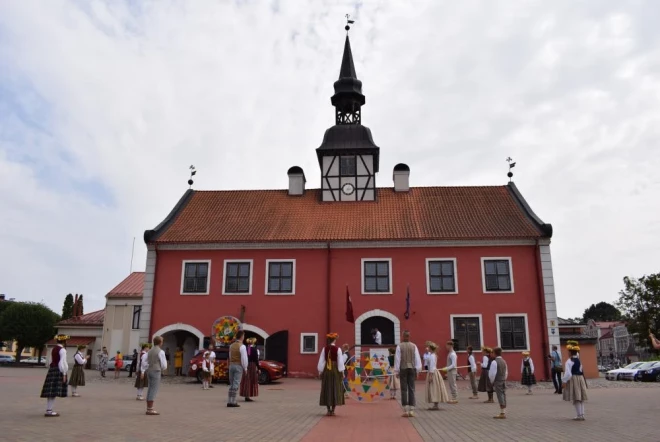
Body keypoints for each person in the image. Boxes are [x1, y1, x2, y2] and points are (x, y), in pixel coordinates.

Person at [394, 330, 422, 417]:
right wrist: (418, 370)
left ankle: (405, 409)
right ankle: (412, 409)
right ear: (409, 336)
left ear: (403, 336)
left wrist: (396, 371)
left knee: (404, 388)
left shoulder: (399, 346)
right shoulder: (414, 346)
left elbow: (397, 359)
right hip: (412, 368)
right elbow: (417, 358)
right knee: (412, 388)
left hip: (403, 368)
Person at [40, 334, 69, 417]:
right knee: (53, 391)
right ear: (64, 341)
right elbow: (62, 362)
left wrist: (51, 368)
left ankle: (49, 409)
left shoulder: (54, 348)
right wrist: (64, 373)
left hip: (52, 369)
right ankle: (49, 410)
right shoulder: (62, 350)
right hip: (58, 370)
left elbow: (50, 360)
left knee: (51, 391)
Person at [318, 332, 345, 416]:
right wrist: (342, 372)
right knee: (335, 388)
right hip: (335, 370)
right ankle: (333, 410)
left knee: (326, 387)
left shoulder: (324, 349)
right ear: (334, 340)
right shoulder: (338, 349)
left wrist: (320, 371)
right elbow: (340, 362)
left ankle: (328, 409)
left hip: (327, 369)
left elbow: (321, 361)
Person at [562, 340, 588, 421]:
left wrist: (564, 381)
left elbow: (568, 373)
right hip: (580, 378)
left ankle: (579, 415)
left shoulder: (569, 361)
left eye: (568, 351)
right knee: (580, 397)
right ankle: (582, 414)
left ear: (570, 352)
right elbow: (581, 369)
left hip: (573, 379)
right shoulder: (579, 360)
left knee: (576, 397)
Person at [142, 335, 167, 415]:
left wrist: (146, 367)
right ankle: (150, 409)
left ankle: (149, 408)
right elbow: (164, 364)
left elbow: (144, 362)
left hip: (149, 370)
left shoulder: (149, 351)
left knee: (150, 388)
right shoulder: (160, 351)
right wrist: (162, 368)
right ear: (160, 342)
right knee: (154, 389)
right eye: (162, 341)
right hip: (156, 370)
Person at [424, 341, 448, 410]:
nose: (427, 348)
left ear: (430, 348)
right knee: (435, 388)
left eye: (428, 347)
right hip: (434, 372)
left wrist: (431, 375)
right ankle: (435, 404)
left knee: (434, 388)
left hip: (433, 372)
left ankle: (435, 404)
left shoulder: (432, 356)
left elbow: (431, 366)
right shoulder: (433, 355)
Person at [227, 331, 248, 408]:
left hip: (231, 365)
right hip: (238, 365)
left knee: (231, 383)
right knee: (236, 383)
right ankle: (233, 401)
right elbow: (244, 358)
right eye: (244, 335)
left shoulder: (231, 346)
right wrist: (245, 367)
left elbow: (230, 356)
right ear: (242, 336)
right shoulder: (242, 346)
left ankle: (229, 400)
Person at [488, 347, 508, 419]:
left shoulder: (494, 362)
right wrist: (504, 378)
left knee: (500, 395)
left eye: (492, 353)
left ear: (495, 353)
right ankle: (503, 410)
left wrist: (492, 381)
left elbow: (492, 373)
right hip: (503, 380)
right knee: (503, 394)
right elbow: (506, 372)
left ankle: (502, 412)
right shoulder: (504, 361)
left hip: (497, 380)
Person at [240, 338, 259, 402]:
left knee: (246, 380)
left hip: (246, 364)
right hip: (252, 365)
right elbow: (256, 359)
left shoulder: (247, 348)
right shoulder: (254, 349)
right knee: (251, 380)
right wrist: (258, 368)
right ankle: (248, 395)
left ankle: (246, 395)